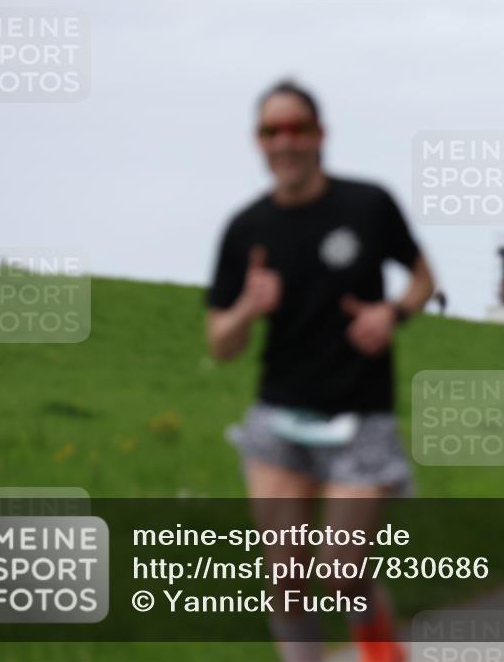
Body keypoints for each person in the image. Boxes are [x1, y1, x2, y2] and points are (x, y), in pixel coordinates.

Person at [206, 79, 435, 662]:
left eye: (296, 128)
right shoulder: (245, 229)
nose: (284, 141)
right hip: (279, 418)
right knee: (285, 583)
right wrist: (246, 309)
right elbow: (220, 344)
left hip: (360, 416)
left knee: (341, 571)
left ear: (319, 135)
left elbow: (422, 277)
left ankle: (383, 655)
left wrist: (394, 312)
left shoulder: (367, 205)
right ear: (258, 142)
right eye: (270, 131)